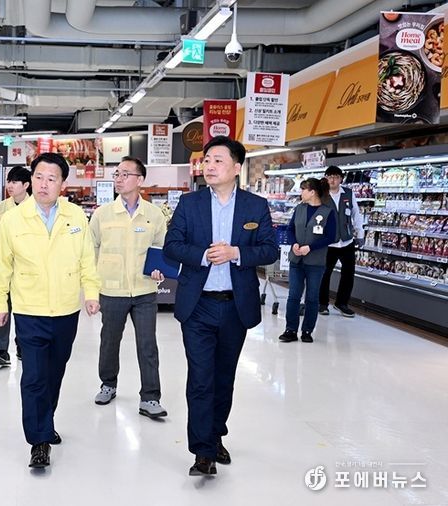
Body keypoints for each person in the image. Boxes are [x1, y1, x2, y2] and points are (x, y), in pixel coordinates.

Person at [163, 136, 278, 477]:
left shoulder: (255, 206)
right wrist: (203, 255)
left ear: (236, 167)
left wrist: (236, 253)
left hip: (234, 306)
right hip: (198, 305)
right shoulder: (190, 203)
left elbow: (270, 250)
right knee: (201, 378)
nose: (209, 166)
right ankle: (202, 452)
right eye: (207, 160)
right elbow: (172, 245)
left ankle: (215, 436)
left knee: (224, 377)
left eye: (218, 160)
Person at [0, 152, 101, 469]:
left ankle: (45, 421)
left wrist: (91, 293)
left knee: (54, 372)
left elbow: (86, 259)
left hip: (66, 309)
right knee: (34, 376)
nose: (43, 184)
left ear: (62, 184)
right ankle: (38, 441)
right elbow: (1, 265)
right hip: (29, 308)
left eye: (51, 178)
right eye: (38, 177)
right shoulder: (13, 219)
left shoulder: (76, 216)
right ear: (31, 180)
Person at [89, 156, 168, 419]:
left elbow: (161, 250)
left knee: (148, 344)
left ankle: (150, 397)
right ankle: (108, 384)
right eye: (117, 174)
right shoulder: (102, 214)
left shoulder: (154, 215)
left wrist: (159, 270)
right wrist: (91, 288)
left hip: (145, 291)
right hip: (112, 290)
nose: (119, 179)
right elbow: (91, 250)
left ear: (139, 180)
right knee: (109, 341)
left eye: (125, 174)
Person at [0, 166, 31, 366]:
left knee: (24, 309)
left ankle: (22, 345)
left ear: (26, 185)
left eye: (15, 182)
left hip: (27, 269)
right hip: (3, 267)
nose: (10, 185)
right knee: (2, 305)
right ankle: (2, 350)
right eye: (8, 181)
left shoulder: (36, 208)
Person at [279, 178, 336, 343]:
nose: (301, 192)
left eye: (303, 189)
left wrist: (310, 247)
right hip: (296, 260)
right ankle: (290, 329)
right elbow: (290, 229)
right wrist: (294, 243)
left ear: (312, 192)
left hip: (315, 262)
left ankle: (307, 331)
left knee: (312, 298)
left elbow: (330, 236)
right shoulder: (299, 208)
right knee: (293, 296)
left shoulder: (327, 212)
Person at [318, 165, 365, 317]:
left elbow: (356, 214)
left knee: (348, 274)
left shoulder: (348, 194)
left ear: (341, 179)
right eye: (330, 177)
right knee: (324, 274)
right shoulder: (321, 194)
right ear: (326, 178)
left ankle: (342, 303)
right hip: (327, 242)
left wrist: (360, 233)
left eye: (336, 177)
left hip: (346, 241)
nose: (332, 180)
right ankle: (322, 303)